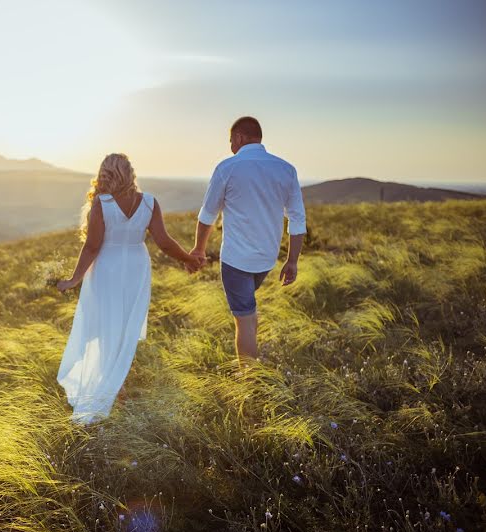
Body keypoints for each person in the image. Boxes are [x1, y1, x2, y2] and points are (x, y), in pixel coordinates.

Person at [56, 153, 205, 425]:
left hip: (107, 268)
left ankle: (112, 387)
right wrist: (187, 259)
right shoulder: (149, 202)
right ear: (129, 173)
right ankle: (117, 385)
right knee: (125, 326)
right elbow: (164, 241)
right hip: (136, 268)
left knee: (105, 326)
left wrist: (74, 279)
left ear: (106, 174)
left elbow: (91, 246)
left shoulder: (102, 203)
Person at [190, 116, 307, 362]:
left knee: (243, 319)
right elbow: (297, 219)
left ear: (240, 138)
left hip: (235, 260)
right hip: (266, 259)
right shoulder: (286, 169)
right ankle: (252, 362)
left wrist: (199, 249)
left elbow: (208, 214)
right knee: (248, 312)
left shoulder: (227, 167)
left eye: (231, 140)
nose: (231, 146)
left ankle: (249, 383)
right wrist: (292, 261)